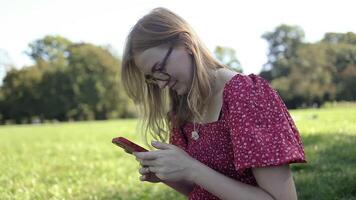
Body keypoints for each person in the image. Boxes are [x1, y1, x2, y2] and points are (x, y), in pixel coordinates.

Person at [121, 7, 306, 200]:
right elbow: (202, 190)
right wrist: (169, 174)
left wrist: (191, 169)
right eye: (152, 78)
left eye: (159, 68)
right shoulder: (182, 105)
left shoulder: (246, 95)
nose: (161, 83)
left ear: (186, 43)